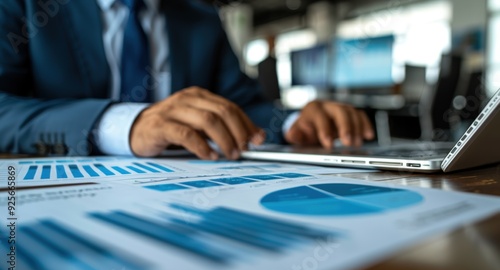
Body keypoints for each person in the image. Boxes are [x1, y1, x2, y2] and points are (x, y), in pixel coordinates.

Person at [0, 0, 374, 160]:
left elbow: (241, 108)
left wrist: (293, 122)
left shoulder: (201, 19)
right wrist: (125, 125)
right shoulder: (26, 7)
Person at [257, 34, 281, 102]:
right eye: (271, 42)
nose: (273, 44)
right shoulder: (264, 64)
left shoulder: (275, 60)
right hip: (269, 98)